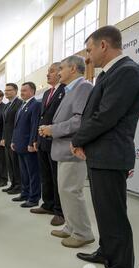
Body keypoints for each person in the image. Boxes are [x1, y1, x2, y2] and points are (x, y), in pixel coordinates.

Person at [71, 26, 139, 268]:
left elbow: (105, 115)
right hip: (102, 153)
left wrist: (78, 139)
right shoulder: (112, 73)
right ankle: (107, 252)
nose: (88, 57)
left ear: (104, 45)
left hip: (111, 154)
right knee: (105, 211)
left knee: (113, 216)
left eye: (90, 50)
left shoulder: (127, 71)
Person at [40, 56, 95, 248]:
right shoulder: (70, 90)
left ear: (73, 69)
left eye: (61, 68)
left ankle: (83, 232)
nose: (58, 72)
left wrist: (52, 129)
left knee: (72, 190)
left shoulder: (83, 87)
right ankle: (71, 226)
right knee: (65, 190)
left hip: (73, 149)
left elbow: (80, 121)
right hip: (63, 149)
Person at [31, 63, 66, 227]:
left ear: (61, 72)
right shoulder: (46, 93)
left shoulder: (66, 90)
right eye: (47, 71)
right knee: (45, 175)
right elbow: (42, 117)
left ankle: (60, 211)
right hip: (43, 139)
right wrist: (37, 138)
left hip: (57, 139)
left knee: (56, 176)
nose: (48, 74)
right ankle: (48, 204)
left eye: (51, 71)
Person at [11, 82, 41, 208]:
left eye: (25, 90)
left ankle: (34, 198)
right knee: (23, 172)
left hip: (28, 145)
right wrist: (13, 140)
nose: (22, 92)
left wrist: (32, 142)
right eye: (21, 90)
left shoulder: (36, 105)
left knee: (33, 172)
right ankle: (25, 193)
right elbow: (17, 126)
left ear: (32, 91)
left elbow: (35, 125)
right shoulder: (22, 106)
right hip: (19, 144)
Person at [2, 83, 23, 195]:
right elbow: (6, 124)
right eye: (5, 90)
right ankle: (13, 183)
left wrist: (14, 139)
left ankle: (19, 185)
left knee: (15, 163)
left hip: (14, 138)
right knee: (9, 163)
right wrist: (4, 137)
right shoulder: (7, 105)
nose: (6, 92)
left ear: (15, 91)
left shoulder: (19, 103)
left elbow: (17, 123)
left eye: (9, 90)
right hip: (7, 138)